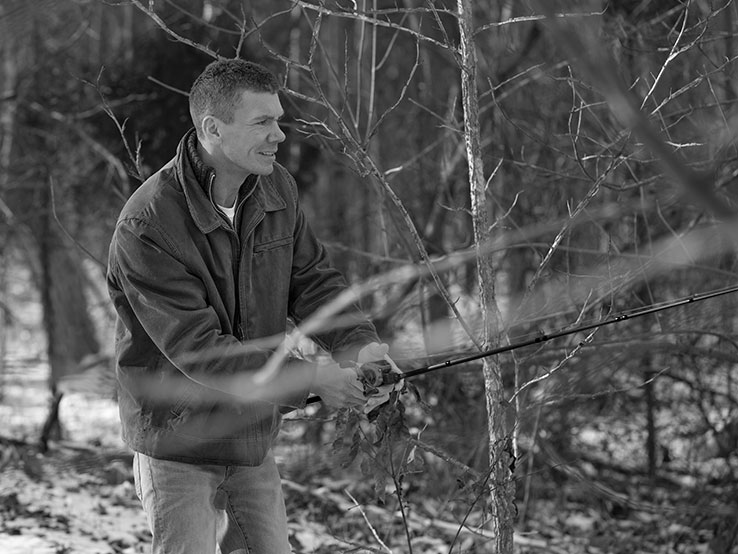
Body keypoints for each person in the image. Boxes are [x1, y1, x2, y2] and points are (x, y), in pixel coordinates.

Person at [106, 58, 401, 554]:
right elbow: (199, 350)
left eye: (278, 120)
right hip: (177, 444)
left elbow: (312, 282)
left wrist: (361, 348)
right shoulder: (147, 226)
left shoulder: (276, 188)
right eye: (263, 122)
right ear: (212, 129)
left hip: (251, 441)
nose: (279, 136)